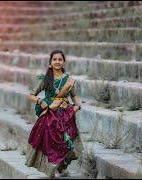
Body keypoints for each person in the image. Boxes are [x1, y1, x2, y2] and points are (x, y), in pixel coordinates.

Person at [25, 49, 82, 178]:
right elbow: (31, 95)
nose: (57, 62)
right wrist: (41, 101)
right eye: (54, 59)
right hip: (50, 114)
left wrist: (78, 106)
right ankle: (50, 168)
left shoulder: (69, 80)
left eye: (60, 59)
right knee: (50, 142)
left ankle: (61, 165)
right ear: (50, 62)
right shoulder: (46, 79)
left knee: (65, 142)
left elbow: (74, 95)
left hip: (65, 114)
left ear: (64, 62)